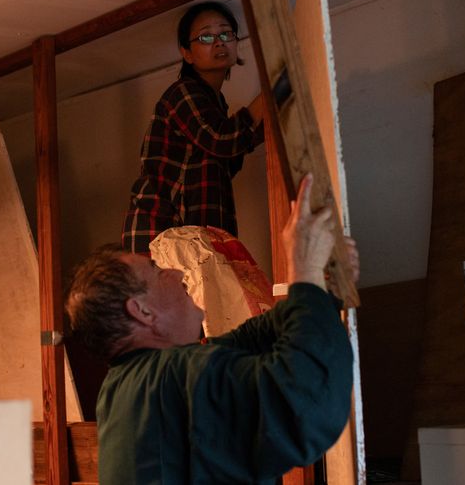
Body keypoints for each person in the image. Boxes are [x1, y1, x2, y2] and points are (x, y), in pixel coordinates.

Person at [67, 174, 358, 484]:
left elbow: (238, 344)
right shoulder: (171, 379)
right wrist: (305, 272)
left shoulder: (124, 387)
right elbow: (304, 405)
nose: (177, 272)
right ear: (143, 311)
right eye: (156, 270)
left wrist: (316, 294)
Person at [122, 1, 265, 255]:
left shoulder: (216, 104)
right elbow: (222, 140)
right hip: (159, 232)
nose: (219, 42)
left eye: (226, 34)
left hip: (190, 238)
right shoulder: (183, 92)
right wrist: (272, 93)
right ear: (186, 53)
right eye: (206, 36)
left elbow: (228, 154)